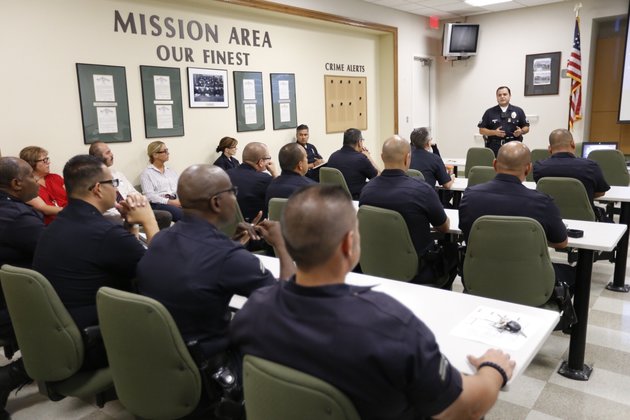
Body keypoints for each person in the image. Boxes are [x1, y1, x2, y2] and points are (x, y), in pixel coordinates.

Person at [231, 184, 515, 420]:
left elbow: (284, 289)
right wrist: (494, 370)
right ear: (349, 243)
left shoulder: (253, 310)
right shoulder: (389, 324)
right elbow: (465, 407)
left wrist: (281, 248)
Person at [137, 163, 294, 372]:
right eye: (232, 192)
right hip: (213, 367)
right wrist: (282, 245)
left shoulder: (160, 238)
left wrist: (234, 244)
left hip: (167, 358)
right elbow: (287, 303)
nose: (235, 197)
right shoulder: (226, 256)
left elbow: (201, 265)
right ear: (217, 202)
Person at [33, 155, 158, 370]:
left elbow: (123, 254)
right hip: (96, 339)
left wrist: (131, 227)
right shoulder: (104, 233)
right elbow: (163, 272)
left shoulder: (59, 224)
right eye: (114, 183)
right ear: (98, 189)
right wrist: (149, 221)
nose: (117, 189)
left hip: (63, 331)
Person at [458, 142, 571, 289]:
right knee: (572, 274)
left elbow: (466, 231)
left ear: (494, 164)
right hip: (529, 284)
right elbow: (561, 242)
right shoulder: (542, 203)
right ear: (528, 168)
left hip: (477, 278)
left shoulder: (469, 196)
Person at [360, 136, 455, 286]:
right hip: (417, 269)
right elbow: (444, 227)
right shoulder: (422, 190)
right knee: (453, 251)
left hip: (376, 263)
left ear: (382, 157)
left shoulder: (367, 190)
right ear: (407, 158)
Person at [0, 157, 42, 417]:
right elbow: (54, 252)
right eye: (31, 176)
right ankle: (10, 376)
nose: (36, 180)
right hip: (15, 301)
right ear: (17, 184)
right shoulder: (17, 217)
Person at [89, 141, 172, 229]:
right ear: (98, 157)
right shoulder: (93, 180)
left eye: (110, 151)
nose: (112, 155)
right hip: (114, 216)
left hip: (132, 209)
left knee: (165, 216)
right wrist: (123, 211)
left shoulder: (117, 174)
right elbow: (104, 209)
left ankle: (155, 240)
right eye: (108, 153)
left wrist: (133, 204)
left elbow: (134, 192)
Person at [533, 128, 610, 215]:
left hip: (550, 217)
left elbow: (543, 190)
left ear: (549, 148)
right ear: (573, 144)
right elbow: (601, 192)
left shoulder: (539, 167)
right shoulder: (590, 166)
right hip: (584, 218)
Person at [227, 142, 278, 222]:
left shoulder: (225, 175)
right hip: (255, 228)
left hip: (227, 227)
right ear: (261, 162)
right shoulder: (265, 179)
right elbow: (280, 195)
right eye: (268, 158)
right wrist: (275, 174)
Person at [19, 146, 68, 224]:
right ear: (32, 163)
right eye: (44, 160)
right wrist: (73, 211)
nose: (48, 162)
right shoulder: (26, 185)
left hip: (70, 218)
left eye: (47, 159)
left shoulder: (55, 177)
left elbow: (73, 194)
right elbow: (44, 209)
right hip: (52, 225)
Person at [327, 128, 379, 199]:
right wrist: (369, 157)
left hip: (336, 199)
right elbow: (379, 178)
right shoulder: (361, 159)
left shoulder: (333, 156)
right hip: (356, 200)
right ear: (359, 142)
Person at [478, 86, 530, 156]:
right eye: (499, 95)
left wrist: (521, 131)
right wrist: (494, 132)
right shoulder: (489, 112)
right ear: (496, 97)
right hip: (495, 148)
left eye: (505, 94)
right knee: (496, 166)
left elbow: (526, 127)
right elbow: (481, 130)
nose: (502, 97)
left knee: (514, 166)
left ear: (510, 96)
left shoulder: (518, 111)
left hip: (514, 147)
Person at [140, 141, 183, 222]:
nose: (168, 153)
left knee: (197, 211)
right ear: (155, 155)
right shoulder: (146, 173)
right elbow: (150, 196)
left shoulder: (171, 171)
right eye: (165, 151)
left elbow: (179, 189)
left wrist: (182, 201)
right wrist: (170, 202)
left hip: (175, 200)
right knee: (182, 214)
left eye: (167, 150)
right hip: (159, 204)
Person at [264, 142, 316, 211]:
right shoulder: (311, 189)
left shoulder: (271, 187)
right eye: (306, 157)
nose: (307, 160)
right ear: (300, 165)